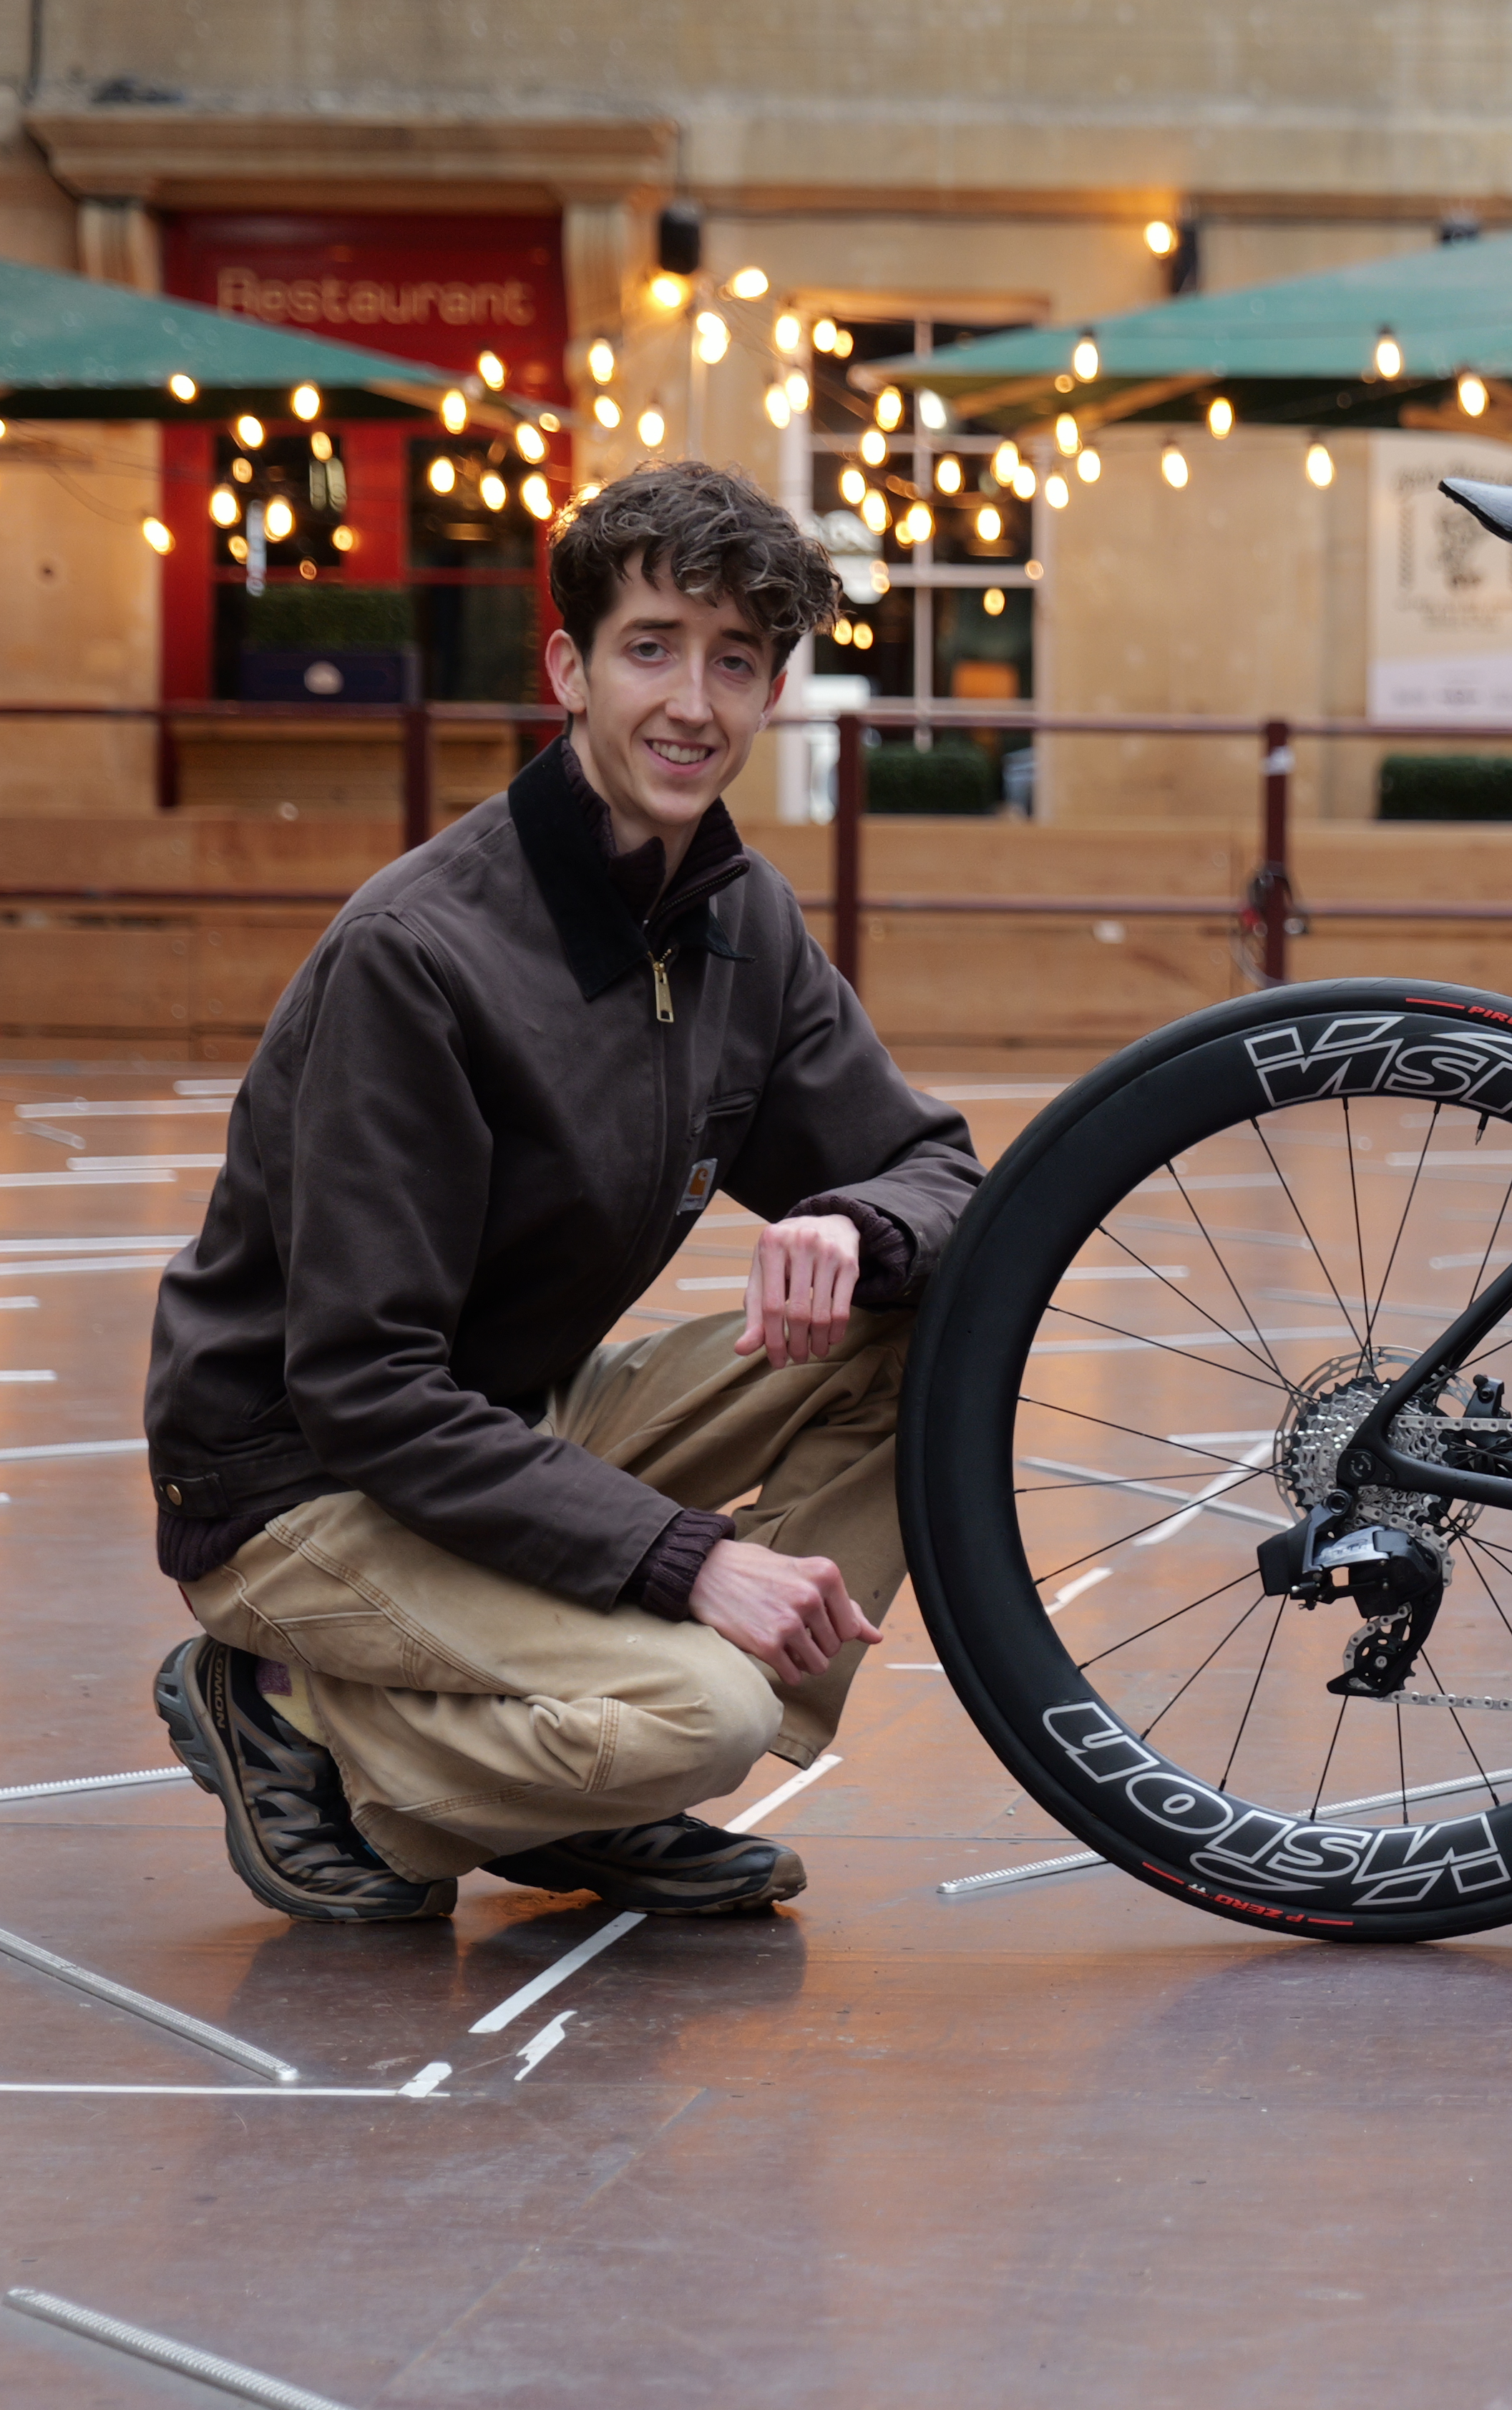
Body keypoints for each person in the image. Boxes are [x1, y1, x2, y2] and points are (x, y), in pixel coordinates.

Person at [142, 459, 977, 1924]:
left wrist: (857, 1220)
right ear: (568, 668)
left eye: (735, 662)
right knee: (710, 1709)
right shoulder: (420, 954)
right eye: (651, 648)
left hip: (506, 1421)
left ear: (774, 689)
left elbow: (944, 1174)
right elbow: (361, 1383)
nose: (691, 704)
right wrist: (687, 1562)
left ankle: (602, 1779)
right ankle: (291, 1712)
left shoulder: (738, 922)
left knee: (927, 1326)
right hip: (301, 1481)